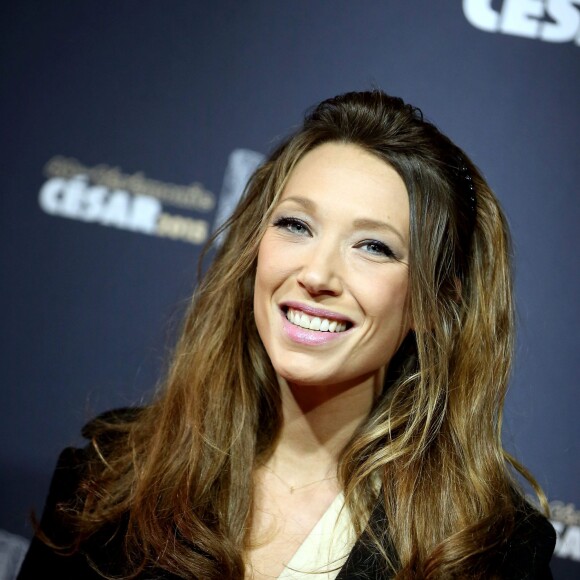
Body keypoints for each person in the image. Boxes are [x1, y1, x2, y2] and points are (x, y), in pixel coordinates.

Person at [17, 90, 556, 579]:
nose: (317, 275)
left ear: (436, 303)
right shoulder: (105, 478)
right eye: (296, 225)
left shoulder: (491, 551)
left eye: (373, 246)